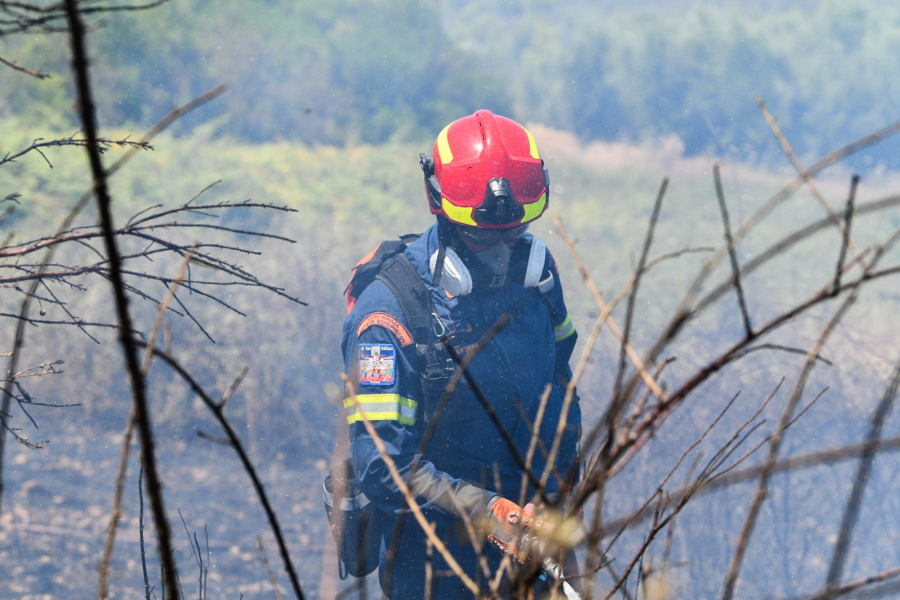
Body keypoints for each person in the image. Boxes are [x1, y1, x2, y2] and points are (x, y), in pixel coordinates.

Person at [340, 110, 581, 599]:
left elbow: (561, 389)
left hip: (532, 543)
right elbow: (383, 464)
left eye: (513, 235)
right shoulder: (389, 315)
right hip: (431, 559)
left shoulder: (538, 280)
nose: (501, 253)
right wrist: (486, 510)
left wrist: (551, 497)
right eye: (482, 237)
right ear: (439, 205)